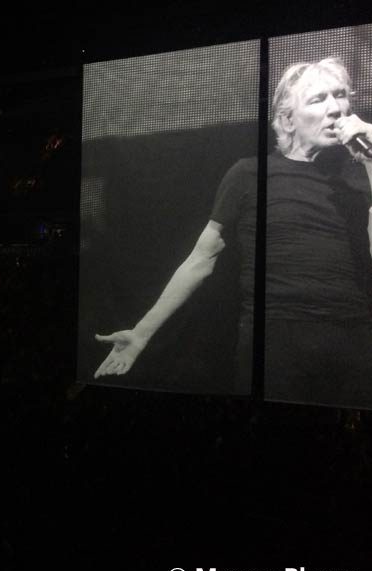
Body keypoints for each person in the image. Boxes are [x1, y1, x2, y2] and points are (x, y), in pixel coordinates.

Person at [94, 57, 372, 406]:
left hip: (354, 337)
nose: (336, 108)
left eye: (341, 95)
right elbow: (201, 258)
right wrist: (142, 333)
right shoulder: (248, 174)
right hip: (276, 341)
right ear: (287, 119)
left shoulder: (360, 177)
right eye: (318, 99)